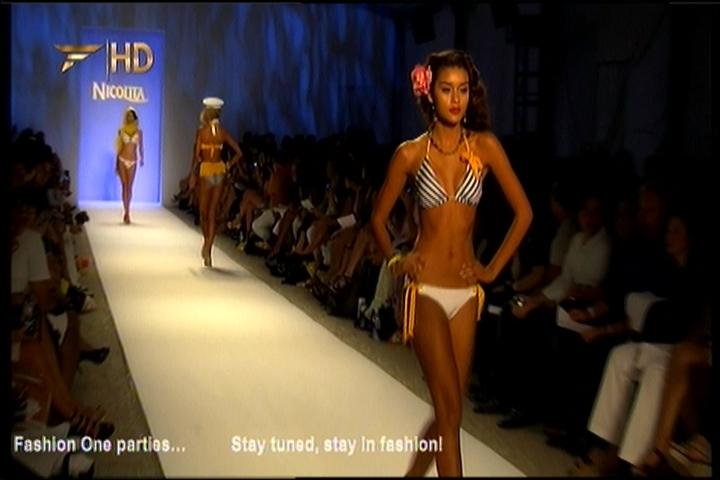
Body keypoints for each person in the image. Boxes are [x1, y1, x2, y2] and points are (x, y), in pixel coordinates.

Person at [370, 50, 532, 477]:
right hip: (425, 290)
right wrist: (397, 261)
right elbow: (377, 219)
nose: (456, 99)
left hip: (466, 292)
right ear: (431, 94)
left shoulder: (485, 147)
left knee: (450, 412)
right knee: (448, 411)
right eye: (446, 89)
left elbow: (524, 213)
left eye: (463, 89)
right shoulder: (410, 154)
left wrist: (491, 270)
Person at [189, 97, 243, 267]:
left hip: (206, 170)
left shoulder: (202, 132)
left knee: (204, 212)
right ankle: (208, 248)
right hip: (220, 171)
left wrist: (192, 175)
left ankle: (206, 244)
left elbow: (196, 157)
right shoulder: (223, 132)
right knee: (212, 212)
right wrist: (228, 165)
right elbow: (239, 152)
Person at [115, 107, 144, 224]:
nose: (130, 117)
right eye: (128, 116)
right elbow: (119, 148)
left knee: (129, 187)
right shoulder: (121, 131)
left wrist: (142, 158)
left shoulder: (139, 132)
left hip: (133, 161)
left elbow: (141, 147)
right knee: (124, 186)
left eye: (132, 116)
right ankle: (126, 212)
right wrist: (116, 164)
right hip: (122, 159)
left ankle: (128, 210)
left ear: (135, 117)